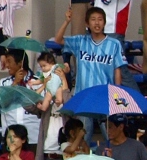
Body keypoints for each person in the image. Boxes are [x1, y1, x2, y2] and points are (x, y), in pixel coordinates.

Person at [52, 7, 127, 142]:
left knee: (111, 138)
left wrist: (118, 95)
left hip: (105, 97)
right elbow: (58, 40)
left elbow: (117, 69)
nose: (97, 23)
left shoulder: (114, 44)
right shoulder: (81, 41)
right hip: (84, 96)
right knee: (83, 138)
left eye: (100, 20)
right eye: (93, 20)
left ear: (104, 23)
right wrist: (67, 22)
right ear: (87, 24)